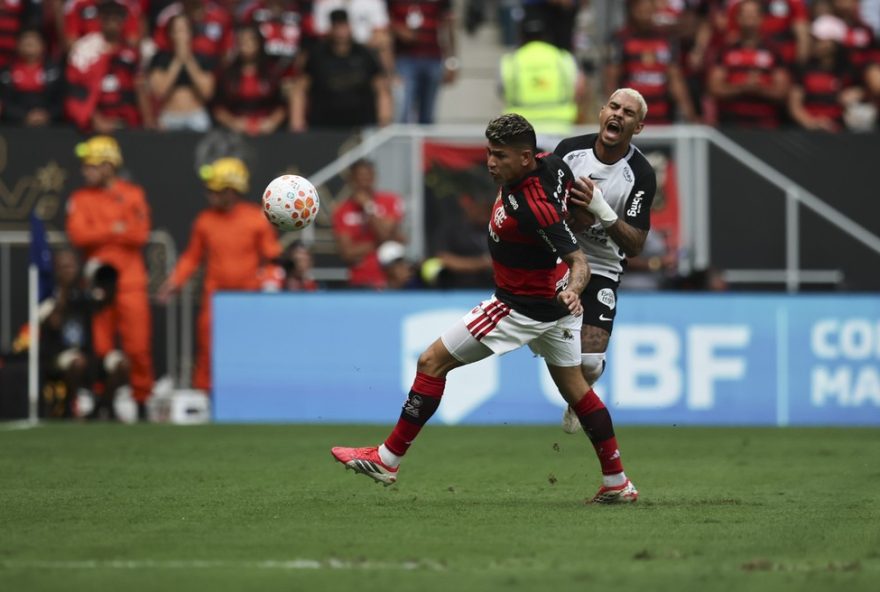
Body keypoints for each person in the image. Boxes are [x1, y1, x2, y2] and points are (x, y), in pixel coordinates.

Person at [331, 113, 639, 505]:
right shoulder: (554, 164)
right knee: (578, 392)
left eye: (500, 156)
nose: (491, 162)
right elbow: (576, 211)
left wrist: (577, 290)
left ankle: (387, 459)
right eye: (489, 153)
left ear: (526, 157)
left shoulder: (533, 208)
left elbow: (580, 261)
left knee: (430, 362)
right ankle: (617, 482)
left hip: (518, 307)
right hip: (553, 303)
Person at [552, 88, 657, 435]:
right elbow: (543, 204)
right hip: (559, 258)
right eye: (613, 107)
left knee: (591, 364)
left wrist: (600, 210)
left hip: (603, 268)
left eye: (628, 113)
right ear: (601, 112)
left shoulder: (640, 173)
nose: (618, 115)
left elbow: (637, 243)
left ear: (637, 127)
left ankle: (576, 399)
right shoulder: (569, 152)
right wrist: (570, 217)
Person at [158, 157, 281, 393]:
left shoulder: (256, 218)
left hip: (250, 299)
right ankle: (205, 395)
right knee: (208, 348)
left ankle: (249, 395)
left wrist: (271, 284)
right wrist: (174, 282)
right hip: (214, 299)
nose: (210, 195)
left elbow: (272, 257)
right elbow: (191, 257)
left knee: (251, 348)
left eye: (215, 190)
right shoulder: (204, 220)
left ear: (231, 191)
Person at [65, 135, 154, 420]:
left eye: (90, 165)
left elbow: (140, 233)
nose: (85, 171)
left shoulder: (133, 194)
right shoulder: (80, 198)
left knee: (138, 347)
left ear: (108, 165)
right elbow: (78, 234)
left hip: (130, 284)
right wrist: (115, 229)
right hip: (98, 287)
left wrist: (102, 231)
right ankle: (104, 402)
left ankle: (141, 402)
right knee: (100, 348)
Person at [40, 249, 129, 420]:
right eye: (64, 267)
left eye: (72, 266)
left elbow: (105, 299)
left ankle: (103, 406)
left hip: (90, 358)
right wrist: (63, 289)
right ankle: (71, 408)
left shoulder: (83, 295)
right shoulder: (49, 297)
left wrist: (100, 276)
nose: (69, 271)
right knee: (78, 361)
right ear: (55, 269)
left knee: (121, 363)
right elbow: (54, 321)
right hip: (59, 358)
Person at [289, 8, 391, 131]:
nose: (340, 32)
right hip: (324, 127)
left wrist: (385, 119)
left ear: (350, 27)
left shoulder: (364, 54)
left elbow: (381, 88)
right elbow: (300, 88)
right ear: (330, 29)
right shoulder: (317, 55)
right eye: (336, 27)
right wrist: (297, 122)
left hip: (362, 125)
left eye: (343, 26)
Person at [64, 0, 155, 132]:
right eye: (108, 18)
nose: (112, 23)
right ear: (100, 20)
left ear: (123, 22)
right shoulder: (85, 51)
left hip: (128, 122)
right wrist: (96, 119)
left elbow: (139, 87)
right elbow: (77, 93)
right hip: (94, 125)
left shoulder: (130, 53)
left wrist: (148, 121)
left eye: (117, 19)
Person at [605, 0, 698, 124]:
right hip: (630, 121)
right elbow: (611, 80)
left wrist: (689, 113)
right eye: (640, 11)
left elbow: (675, 80)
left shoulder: (666, 40)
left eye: (648, 11)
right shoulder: (621, 40)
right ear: (631, 11)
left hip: (661, 118)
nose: (644, 15)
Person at [706, 0, 790, 128]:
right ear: (738, 18)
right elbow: (714, 88)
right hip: (730, 123)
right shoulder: (725, 50)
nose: (749, 19)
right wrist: (742, 88)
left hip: (766, 125)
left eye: (753, 14)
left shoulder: (773, 51)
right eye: (745, 14)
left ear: (761, 18)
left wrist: (759, 89)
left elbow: (782, 92)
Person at [499, 16, 586, 135]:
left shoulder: (510, 61)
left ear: (521, 36)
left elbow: (501, 89)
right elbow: (580, 89)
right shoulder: (562, 57)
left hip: (520, 131)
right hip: (560, 128)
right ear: (546, 36)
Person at [331, 158, 405, 289]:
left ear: (374, 177)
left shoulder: (390, 201)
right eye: (359, 177)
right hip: (360, 280)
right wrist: (386, 241)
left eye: (367, 176)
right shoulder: (342, 211)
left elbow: (384, 234)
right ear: (351, 180)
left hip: (390, 280)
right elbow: (347, 253)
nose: (364, 182)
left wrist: (368, 207)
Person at [788, 14, 863, 132]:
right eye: (813, 39)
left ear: (833, 44)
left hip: (843, 134)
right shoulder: (804, 69)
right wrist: (811, 123)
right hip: (808, 134)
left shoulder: (849, 71)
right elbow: (795, 105)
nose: (814, 43)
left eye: (818, 40)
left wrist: (859, 93)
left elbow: (866, 94)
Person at [387, 0, 457, 124]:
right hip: (405, 59)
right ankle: (403, 143)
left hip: (433, 58)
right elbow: (383, 20)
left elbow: (448, 26)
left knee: (427, 115)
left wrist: (452, 62)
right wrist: (399, 30)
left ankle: (424, 142)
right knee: (403, 110)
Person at [213, 25, 287, 136]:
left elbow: (282, 106)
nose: (245, 44)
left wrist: (271, 123)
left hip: (267, 130)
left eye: (249, 40)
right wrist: (233, 123)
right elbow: (218, 107)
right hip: (235, 131)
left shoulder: (271, 72)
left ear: (258, 43)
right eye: (241, 41)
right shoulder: (227, 73)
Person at [147, 13, 216, 132]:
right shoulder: (160, 59)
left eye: (184, 30)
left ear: (190, 33)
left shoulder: (202, 58)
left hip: (197, 116)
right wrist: (177, 61)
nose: (181, 35)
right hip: (170, 116)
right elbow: (159, 91)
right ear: (170, 34)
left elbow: (207, 92)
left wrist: (188, 60)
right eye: (177, 30)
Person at [0, 28, 63, 126]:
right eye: (25, 41)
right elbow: (4, 102)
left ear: (43, 45)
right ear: (17, 45)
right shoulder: (6, 72)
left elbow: (61, 100)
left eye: (33, 41)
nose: (29, 44)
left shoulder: (55, 72)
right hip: (14, 125)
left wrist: (47, 115)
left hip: (51, 126)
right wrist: (23, 116)